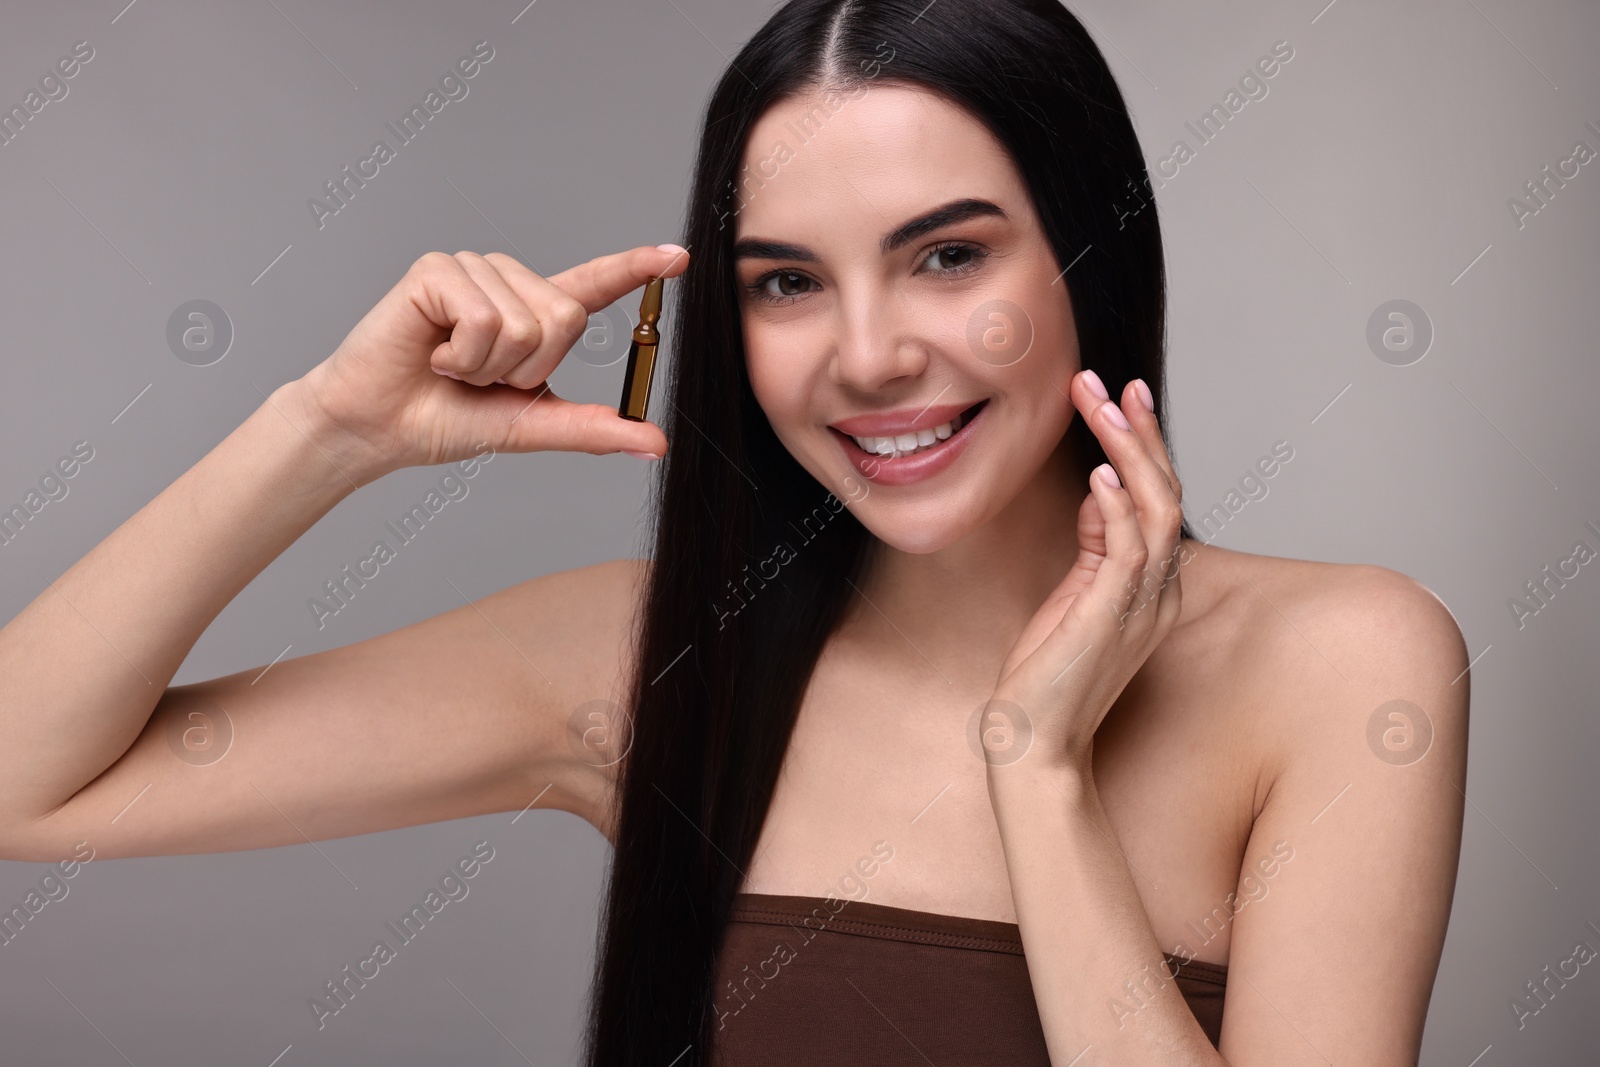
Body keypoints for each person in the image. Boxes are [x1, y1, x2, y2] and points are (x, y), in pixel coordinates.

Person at [0, 0, 1468, 1064]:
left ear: (1092, 248)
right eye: (785, 284)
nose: (870, 354)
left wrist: (1040, 768)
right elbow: (25, 784)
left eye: (947, 256)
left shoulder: (1343, 666)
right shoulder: (641, 658)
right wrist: (328, 429)